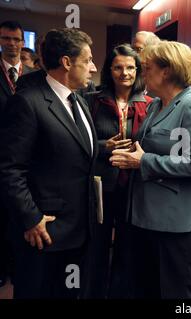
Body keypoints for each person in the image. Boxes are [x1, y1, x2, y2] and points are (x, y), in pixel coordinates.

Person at [0, 28, 98, 299]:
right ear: (67, 62)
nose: (93, 67)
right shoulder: (28, 103)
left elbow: (74, 153)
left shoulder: (79, 101)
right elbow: (10, 169)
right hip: (44, 232)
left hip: (80, 229)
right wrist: (31, 218)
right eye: (88, 60)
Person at [110, 41, 191, 299]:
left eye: (148, 68)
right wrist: (130, 154)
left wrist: (142, 162)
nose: (143, 73)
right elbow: (149, 147)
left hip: (174, 221)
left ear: (167, 71)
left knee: (173, 291)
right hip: (144, 216)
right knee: (147, 287)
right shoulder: (155, 104)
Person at [83, 44, 151, 298]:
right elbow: (79, 141)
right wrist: (103, 146)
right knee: (96, 249)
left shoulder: (150, 104)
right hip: (100, 187)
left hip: (134, 187)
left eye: (130, 67)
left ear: (138, 70)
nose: (125, 73)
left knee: (128, 250)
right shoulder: (92, 101)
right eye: (118, 67)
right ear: (109, 70)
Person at [0, 20, 36, 288]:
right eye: (6, 39)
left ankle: (17, 266)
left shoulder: (32, 76)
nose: (12, 44)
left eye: (16, 39)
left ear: (23, 42)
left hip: (26, 157)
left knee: (19, 213)